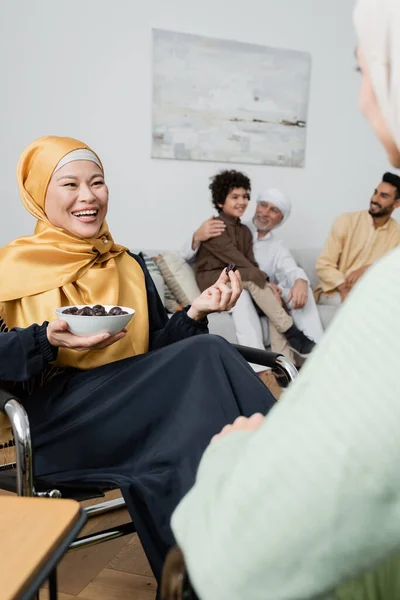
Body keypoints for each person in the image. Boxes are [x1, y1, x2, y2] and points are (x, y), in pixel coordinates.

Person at [170, 0, 400, 598]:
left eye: (365, 71)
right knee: (257, 296)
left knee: (276, 297)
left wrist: (231, 455)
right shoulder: (221, 229)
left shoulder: (385, 295)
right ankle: (286, 354)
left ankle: (288, 353)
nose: (363, 99)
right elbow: (229, 262)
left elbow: (236, 561)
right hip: (234, 287)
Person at [0, 136, 276, 588]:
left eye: (98, 183)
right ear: (38, 194)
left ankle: (218, 577)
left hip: (134, 408)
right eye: (69, 184)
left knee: (187, 434)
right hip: (58, 425)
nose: (88, 197)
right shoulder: (7, 269)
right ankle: (292, 484)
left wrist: (195, 312)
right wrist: (44, 340)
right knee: (206, 360)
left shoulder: (126, 264)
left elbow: (157, 354)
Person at [184, 187, 323, 371]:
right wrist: (196, 236)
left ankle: (286, 372)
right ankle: (260, 367)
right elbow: (188, 257)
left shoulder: (277, 248)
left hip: (263, 298)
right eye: (263, 205)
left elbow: (290, 268)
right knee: (243, 294)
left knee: (277, 297)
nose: (265, 212)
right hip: (238, 291)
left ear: (280, 219)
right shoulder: (232, 228)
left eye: (273, 210)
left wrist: (301, 280)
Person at [315, 172, 400, 305]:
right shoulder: (346, 221)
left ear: (397, 203)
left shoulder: (397, 234)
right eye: (375, 192)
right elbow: (323, 265)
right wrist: (343, 287)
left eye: (384, 196)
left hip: (372, 293)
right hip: (335, 290)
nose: (375, 199)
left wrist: (367, 269)